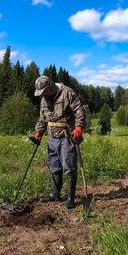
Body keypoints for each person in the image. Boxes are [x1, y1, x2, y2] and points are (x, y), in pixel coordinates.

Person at [32, 75, 86, 209]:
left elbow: (79, 110)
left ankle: (70, 199)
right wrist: (39, 131)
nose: (43, 95)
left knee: (69, 167)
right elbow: (42, 117)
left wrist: (79, 126)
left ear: (50, 87)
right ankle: (55, 195)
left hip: (67, 136)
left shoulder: (67, 92)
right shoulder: (44, 99)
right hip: (52, 137)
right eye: (41, 93)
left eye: (44, 92)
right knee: (54, 166)